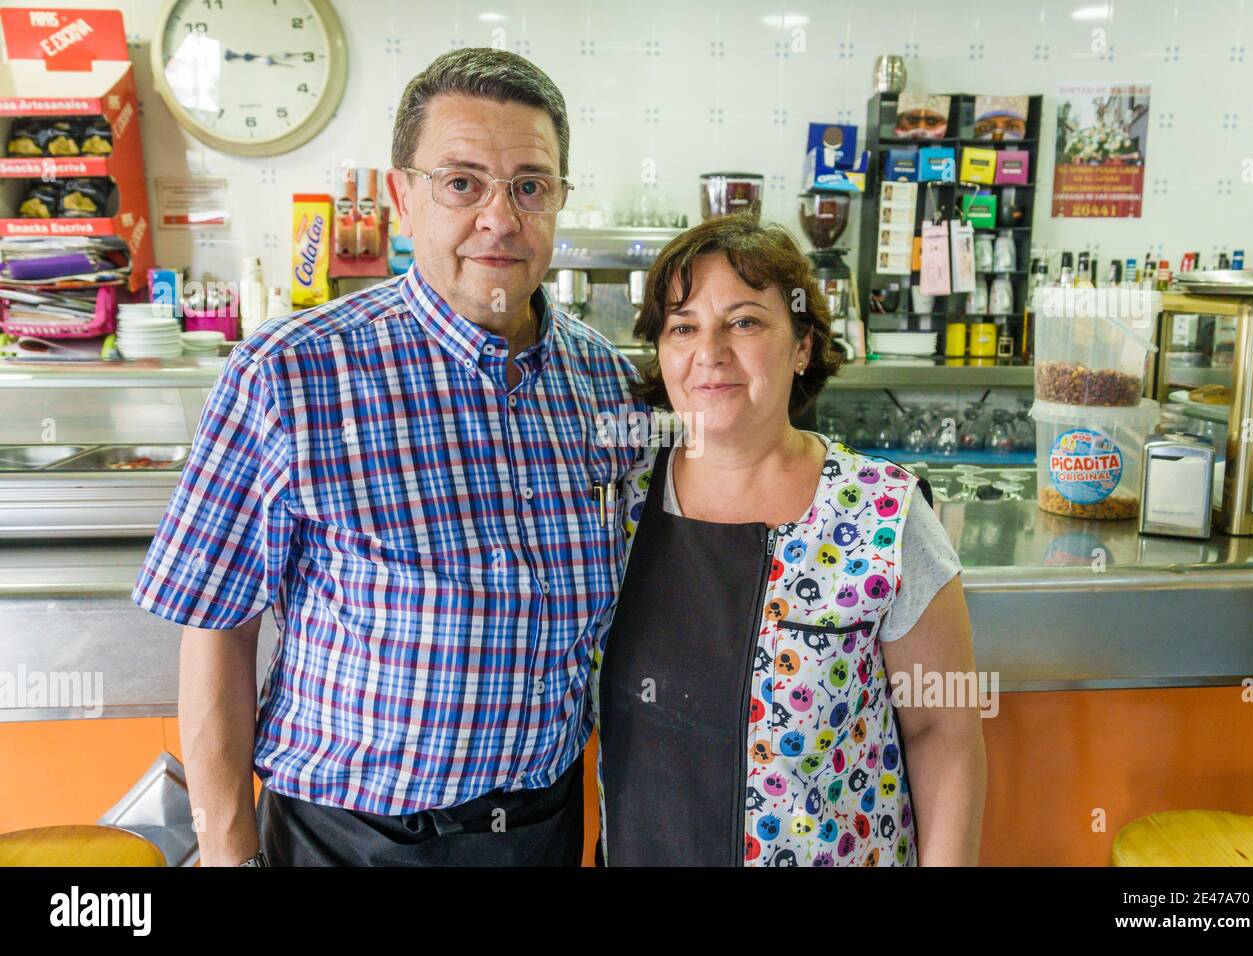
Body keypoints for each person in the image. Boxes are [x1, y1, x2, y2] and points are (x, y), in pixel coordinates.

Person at [132, 48, 645, 866]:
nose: (500, 218)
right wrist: (229, 850)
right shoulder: (289, 372)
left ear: (558, 200)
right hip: (350, 840)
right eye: (462, 182)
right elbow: (217, 630)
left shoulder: (606, 384)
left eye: (530, 185)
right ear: (403, 196)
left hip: (542, 831)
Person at [593, 215, 987, 866]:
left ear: (802, 346)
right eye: (683, 326)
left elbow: (943, 731)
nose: (710, 351)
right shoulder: (618, 504)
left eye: (745, 322)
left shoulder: (882, 514)